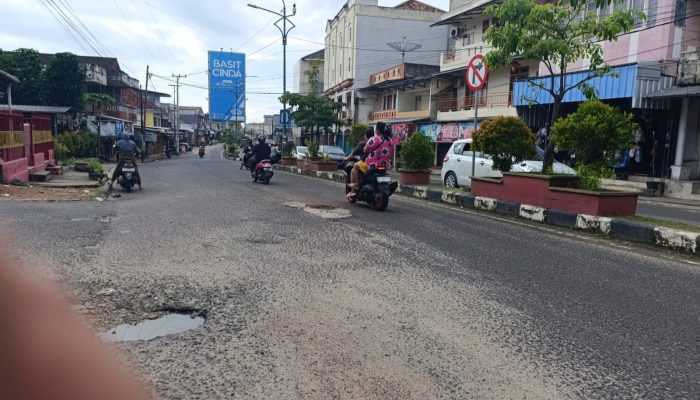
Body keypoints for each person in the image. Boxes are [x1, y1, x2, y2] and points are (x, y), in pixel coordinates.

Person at [347, 122, 393, 198]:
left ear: (377, 130)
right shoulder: (390, 140)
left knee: (355, 166)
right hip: (384, 165)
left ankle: (356, 186)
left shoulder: (374, 139)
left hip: (371, 165)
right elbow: (391, 153)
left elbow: (365, 150)